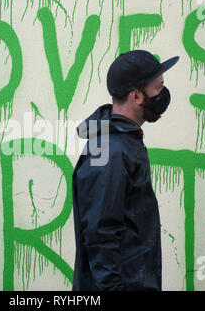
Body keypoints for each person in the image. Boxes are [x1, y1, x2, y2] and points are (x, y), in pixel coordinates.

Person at [71, 49, 179, 291]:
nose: (164, 94)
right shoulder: (111, 151)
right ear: (137, 97)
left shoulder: (124, 141)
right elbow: (101, 235)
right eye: (158, 88)